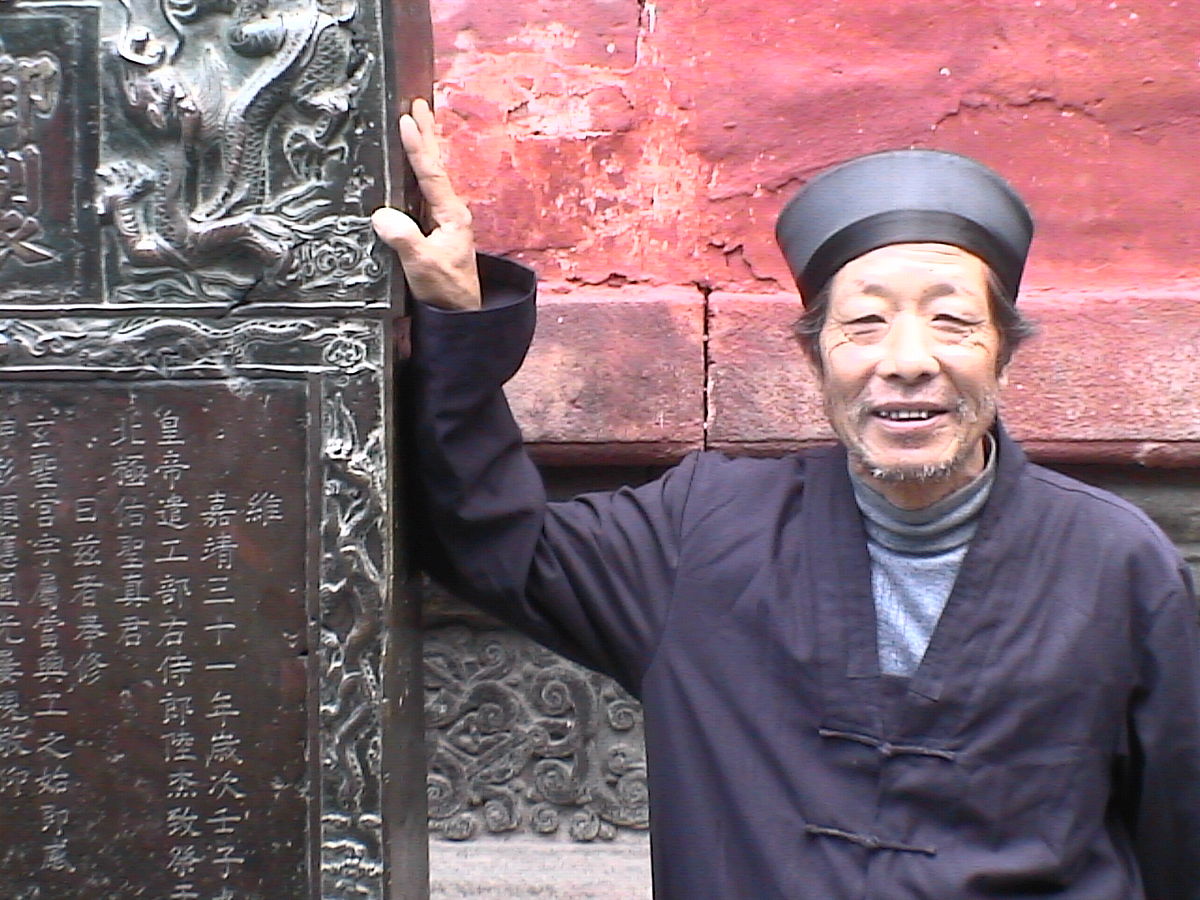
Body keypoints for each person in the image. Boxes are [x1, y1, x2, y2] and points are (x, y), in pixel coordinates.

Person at [372, 99, 1200, 899]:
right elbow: (499, 545)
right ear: (817, 361)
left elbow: (1179, 835)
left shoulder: (1118, 562)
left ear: (1002, 355)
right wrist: (455, 318)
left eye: (952, 322)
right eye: (864, 325)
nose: (908, 359)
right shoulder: (705, 532)